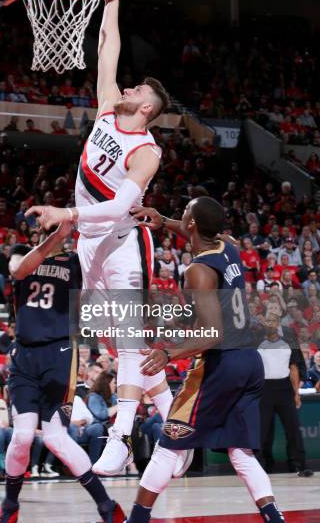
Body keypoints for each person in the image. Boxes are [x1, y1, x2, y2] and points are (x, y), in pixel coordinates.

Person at [25, 0, 177, 477]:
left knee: (129, 343)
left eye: (138, 90)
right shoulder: (110, 108)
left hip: (121, 242)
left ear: (149, 108)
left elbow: (117, 210)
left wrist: (66, 215)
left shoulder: (148, 152)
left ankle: (120, 439)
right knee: (115, 343)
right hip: (89, 245)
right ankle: (180, 428)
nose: (127, 88)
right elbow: (106, 46)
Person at [125, 197, 284, 523]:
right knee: (241, 451)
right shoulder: (230, 248)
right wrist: (164, 220)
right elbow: (201, 233)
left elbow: (212, 334)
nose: (181, 217)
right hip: (250, 362)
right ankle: (273, 516)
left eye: (185, 214)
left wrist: (168, 352)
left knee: (170, 442)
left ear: (193, 224)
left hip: (221, 362)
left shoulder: (198, 271)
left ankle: (136, 519)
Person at [0, 224, 125, 523]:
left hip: (60, 354)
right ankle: (10, 505)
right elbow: (17, 271)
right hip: (25, 355)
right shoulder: (21, 254)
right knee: (23, 435)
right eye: (46, 227)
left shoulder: (75, 261)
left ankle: (106, 506)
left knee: (55, 438)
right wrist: (55, 236)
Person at [257, 309, 313, 476]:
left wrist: (296, 393)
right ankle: (262, 466)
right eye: (268, 320)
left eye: (273, 321)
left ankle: (299, 466)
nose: (270, 324)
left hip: (284, 389)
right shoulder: (257, 339)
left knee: (293, 429)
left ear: (279, 323)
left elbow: (294, 367)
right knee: (263, 431)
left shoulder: (288, 338)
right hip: (264, 389)